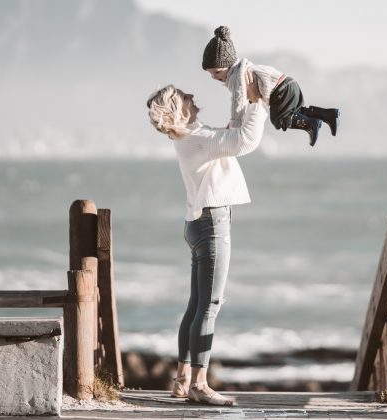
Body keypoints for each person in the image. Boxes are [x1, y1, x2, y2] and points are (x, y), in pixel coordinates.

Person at [146, 81, 267, 406]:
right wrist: (258, 103)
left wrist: (240, 103)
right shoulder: (199, 140)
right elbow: (244, 141)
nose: (192, 96)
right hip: (212, 224)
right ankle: (200, 383)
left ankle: (183, 377)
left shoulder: (191, 138)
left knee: (196, 304)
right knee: (209, 305)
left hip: (196, 223)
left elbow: (225, 137)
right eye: (185, 96)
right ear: (179, 108)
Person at [202, 25, 340, 147]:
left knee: (280, 120)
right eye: (211, 74)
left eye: (217, 72)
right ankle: (328, 114)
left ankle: (311, 124)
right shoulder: (243, 67)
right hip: (288, 83)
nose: (215, 77)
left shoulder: (236, 78)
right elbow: (246, 101)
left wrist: (234, 129)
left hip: (280, 91)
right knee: (296, 113)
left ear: (230, 65)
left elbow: (238, 103)